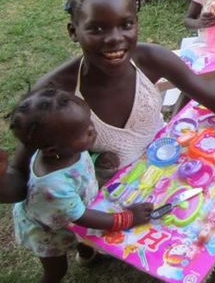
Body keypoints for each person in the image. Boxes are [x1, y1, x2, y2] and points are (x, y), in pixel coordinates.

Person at [8, 0, 215, 205]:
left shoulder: (150, 58)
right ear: (73, 31)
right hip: (106, 200)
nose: (115, 39)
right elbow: (19, 176)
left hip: (165, 164)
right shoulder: (55, 94)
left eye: (126, 25)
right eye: (97, 29)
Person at [9, 87, 153, 282]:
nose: (92, 130)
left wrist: (97, 158)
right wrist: (128, 218)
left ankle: (87, 256)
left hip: (69, 209)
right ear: (52, 150)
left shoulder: (65, 149)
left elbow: (79, 172)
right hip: (48, 229)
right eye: (84, 131)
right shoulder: (53, 186)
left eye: (89, 122)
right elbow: (82, 217)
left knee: (81, 240)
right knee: (56, 270)